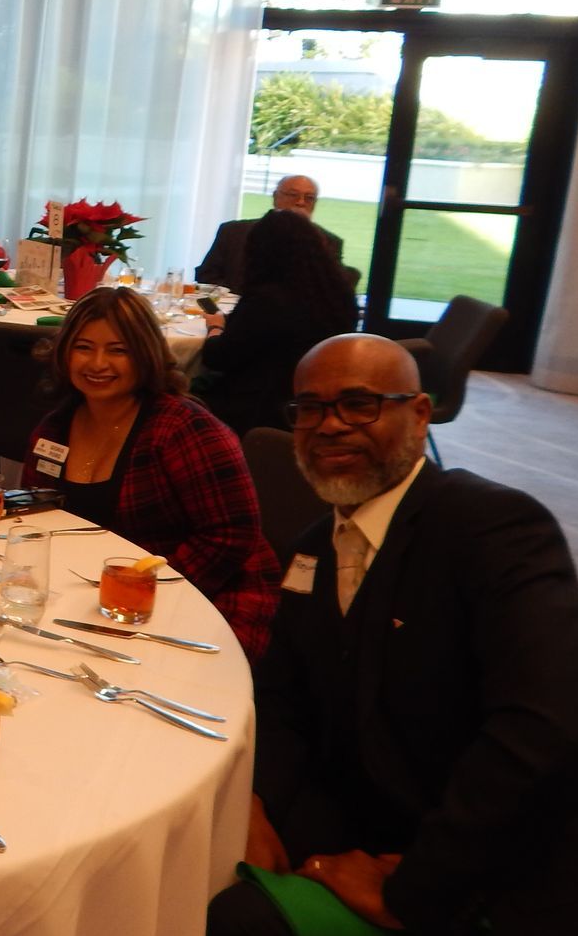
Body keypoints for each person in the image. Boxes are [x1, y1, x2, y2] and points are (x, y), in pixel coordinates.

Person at [198, 334, 578, 936]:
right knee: (201, 851)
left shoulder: (495, 528)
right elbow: (280, 700)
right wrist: (258, 804)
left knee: (241, 930)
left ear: (421, 414)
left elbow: (541, 734)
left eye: (359, 404)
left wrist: (409, 891)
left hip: (500, 887)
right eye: (310, 409)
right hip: (381, 822)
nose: (330, 425)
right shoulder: (315, 547)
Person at [18, 286, 280, 658]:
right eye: (83, 347)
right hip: (90, 595)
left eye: (118, 350)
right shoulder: (55, 428)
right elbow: (39, 513)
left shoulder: (182, 429)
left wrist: (147, 587)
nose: (97, 364)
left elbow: (233, 534)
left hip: (206, 593)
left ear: (144, 355)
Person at [195, 209, 358, 435]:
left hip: (257, 409)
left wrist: (215, 326)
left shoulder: (267, 299)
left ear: (261, 252)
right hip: (316, 403)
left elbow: (218, 358)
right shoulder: (340, 295)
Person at [196, 174, 343, 288]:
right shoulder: (233, 232)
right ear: (275, 197)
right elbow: (207, 276)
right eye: (293, 195)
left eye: (309, 198)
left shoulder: (328, 242)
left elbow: (330, 292)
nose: (301, 202)